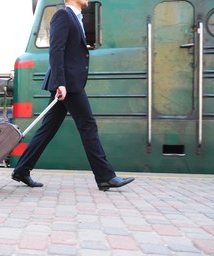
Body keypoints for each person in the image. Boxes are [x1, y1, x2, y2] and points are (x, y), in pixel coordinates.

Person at [11, 0, 134, 191]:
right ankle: (105, 177)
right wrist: (61, 82)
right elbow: (56, 50)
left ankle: (21, 169)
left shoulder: (76, 18)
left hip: (68, 83)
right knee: (88, 125)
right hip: (68, 84)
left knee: (48, 129)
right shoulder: (63, 15)